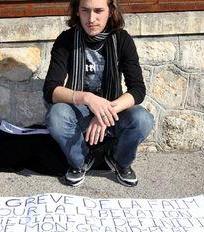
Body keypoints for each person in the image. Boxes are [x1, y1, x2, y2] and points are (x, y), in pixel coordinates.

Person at [43, 0, 154, 187]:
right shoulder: (67, 40)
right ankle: (80, 161)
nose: (91, 19)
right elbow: (51, 90)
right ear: (77, 11)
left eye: (98, 11)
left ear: (110, 11)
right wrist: (87, 98)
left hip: (113, 111)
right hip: (79, 111)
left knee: (143, 119)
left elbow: (137, 89)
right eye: (85, 10)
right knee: (56, 115)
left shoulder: (122, 39)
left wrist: (104, 112)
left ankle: (119, 161)